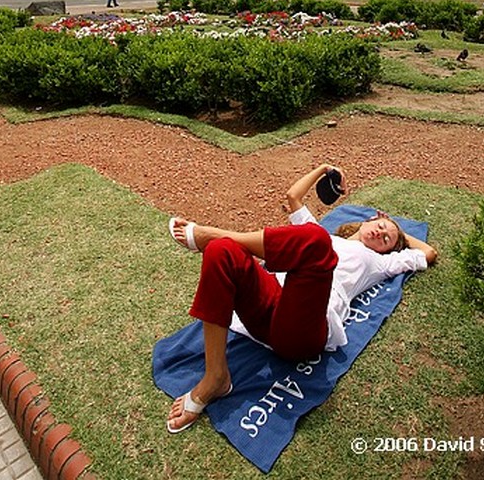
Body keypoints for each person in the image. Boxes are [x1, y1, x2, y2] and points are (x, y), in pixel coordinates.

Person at [165, 163, 437, 434]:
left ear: (388, 251)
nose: (380, 233)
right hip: (269, 306)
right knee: (221, 251)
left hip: (303, 327)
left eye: (386, 239)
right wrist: (323, 168)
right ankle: (216, 377)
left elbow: (428, 252)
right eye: (380, 225)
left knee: (315, 242)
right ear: (368, 220)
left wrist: (399, 230)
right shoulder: (321, 233)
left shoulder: (379, 264)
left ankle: (215, 234)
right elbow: (293, 196)